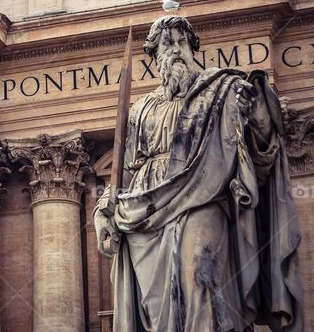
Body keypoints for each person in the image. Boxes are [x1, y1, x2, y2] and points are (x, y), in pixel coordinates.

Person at [94, 16, 302, 331]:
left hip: (204, 194)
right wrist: (104, 208)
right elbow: (124, 173)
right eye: (167, 44)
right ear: (155, 56)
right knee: (157, 305)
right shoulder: (140, 109)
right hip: (147, 213)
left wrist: (256, 115)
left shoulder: (221, 91)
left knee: (201, 268)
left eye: (182, 42)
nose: (176, 50)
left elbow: (259, 153)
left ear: (192, 49)